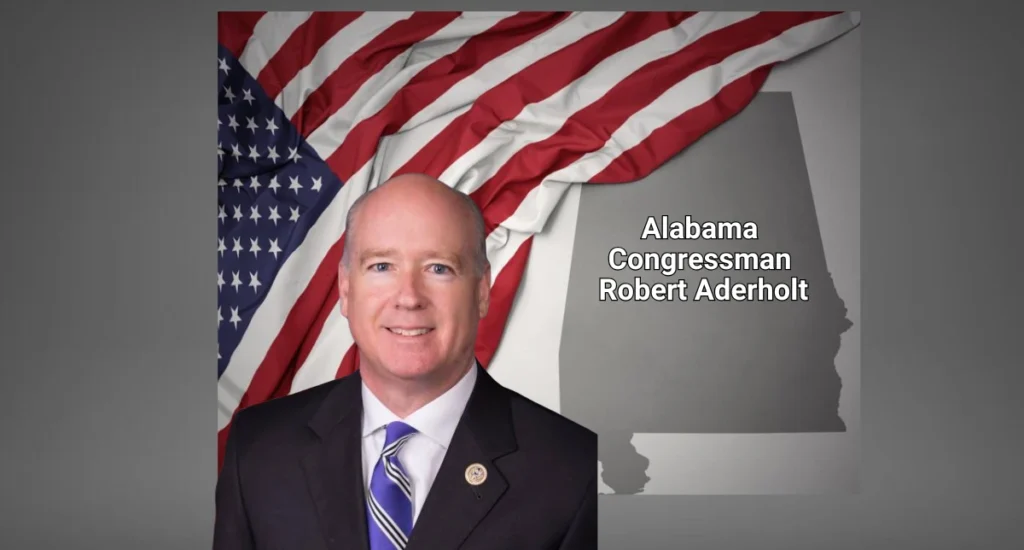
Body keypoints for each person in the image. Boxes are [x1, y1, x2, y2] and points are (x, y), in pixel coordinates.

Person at [214, 173, 598, 549]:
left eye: (439, 268)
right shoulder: (259, 447)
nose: (409, 297)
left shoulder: (573, 470)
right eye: (381, 266)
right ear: (346, 289)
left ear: (482, 291)